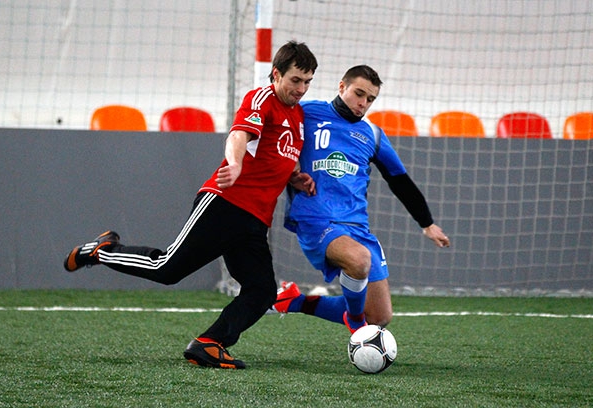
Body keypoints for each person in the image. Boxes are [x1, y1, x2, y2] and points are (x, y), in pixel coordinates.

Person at [64, 41, 318, 369]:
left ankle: (210, 343)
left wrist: (295, 177)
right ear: (277, 74)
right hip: (225, 204)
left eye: (307, 81)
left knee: (262, 291)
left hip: (255, 220)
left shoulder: (298, 116)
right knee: (167, 269)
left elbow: (277, 156)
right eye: (296, 80)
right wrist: (235, 163)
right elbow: (238, 136)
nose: (301, 89)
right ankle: (102, 251)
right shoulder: (261, 99)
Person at [274, 65, 450, 333]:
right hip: (315, 218)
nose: (363, 103)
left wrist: (427, 223)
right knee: (359, 260)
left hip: (357, 226)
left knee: (379, 316)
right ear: (342, 86)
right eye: (359, 94)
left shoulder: (373, 134)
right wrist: (290, 172)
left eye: (370, 99)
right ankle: (355, 325)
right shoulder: (305, 113)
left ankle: (294, 301)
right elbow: (273, 138)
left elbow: (399, 180)